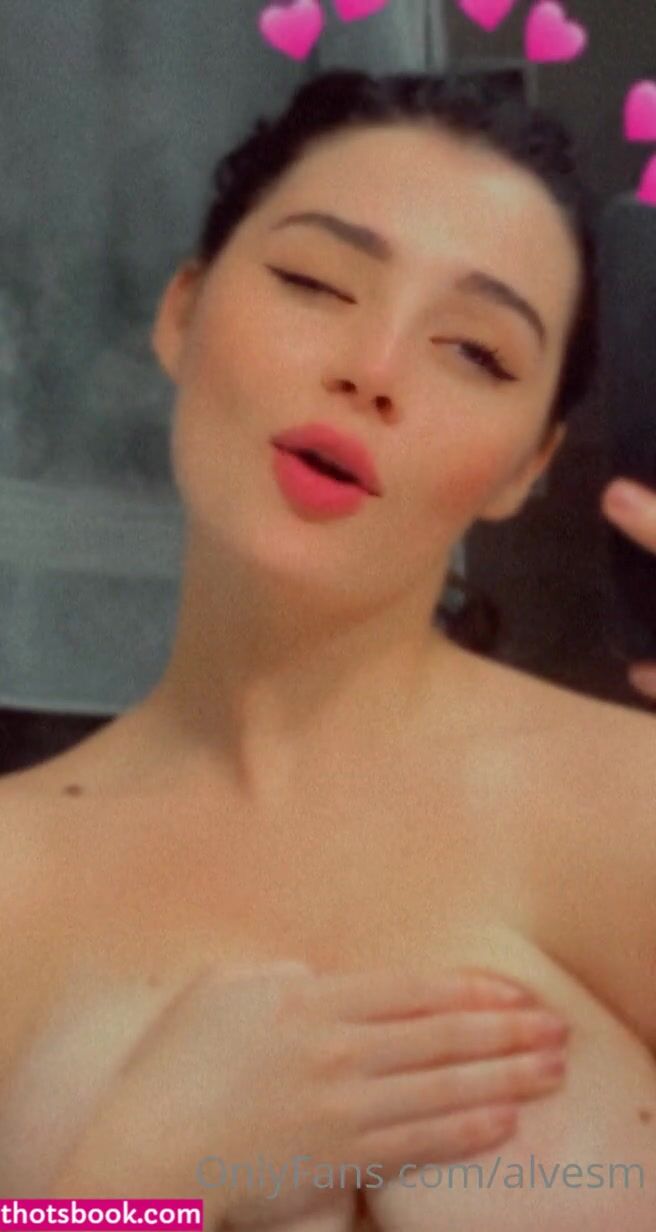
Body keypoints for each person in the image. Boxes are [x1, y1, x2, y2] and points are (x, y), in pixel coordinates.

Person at [0, 70, 654, 1228]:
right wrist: (135, 1185)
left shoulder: (628, 808)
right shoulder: (17, 877)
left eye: (476, 351)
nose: (373, 367)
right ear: (182, 310)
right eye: (314, 282)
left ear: (524, 466)